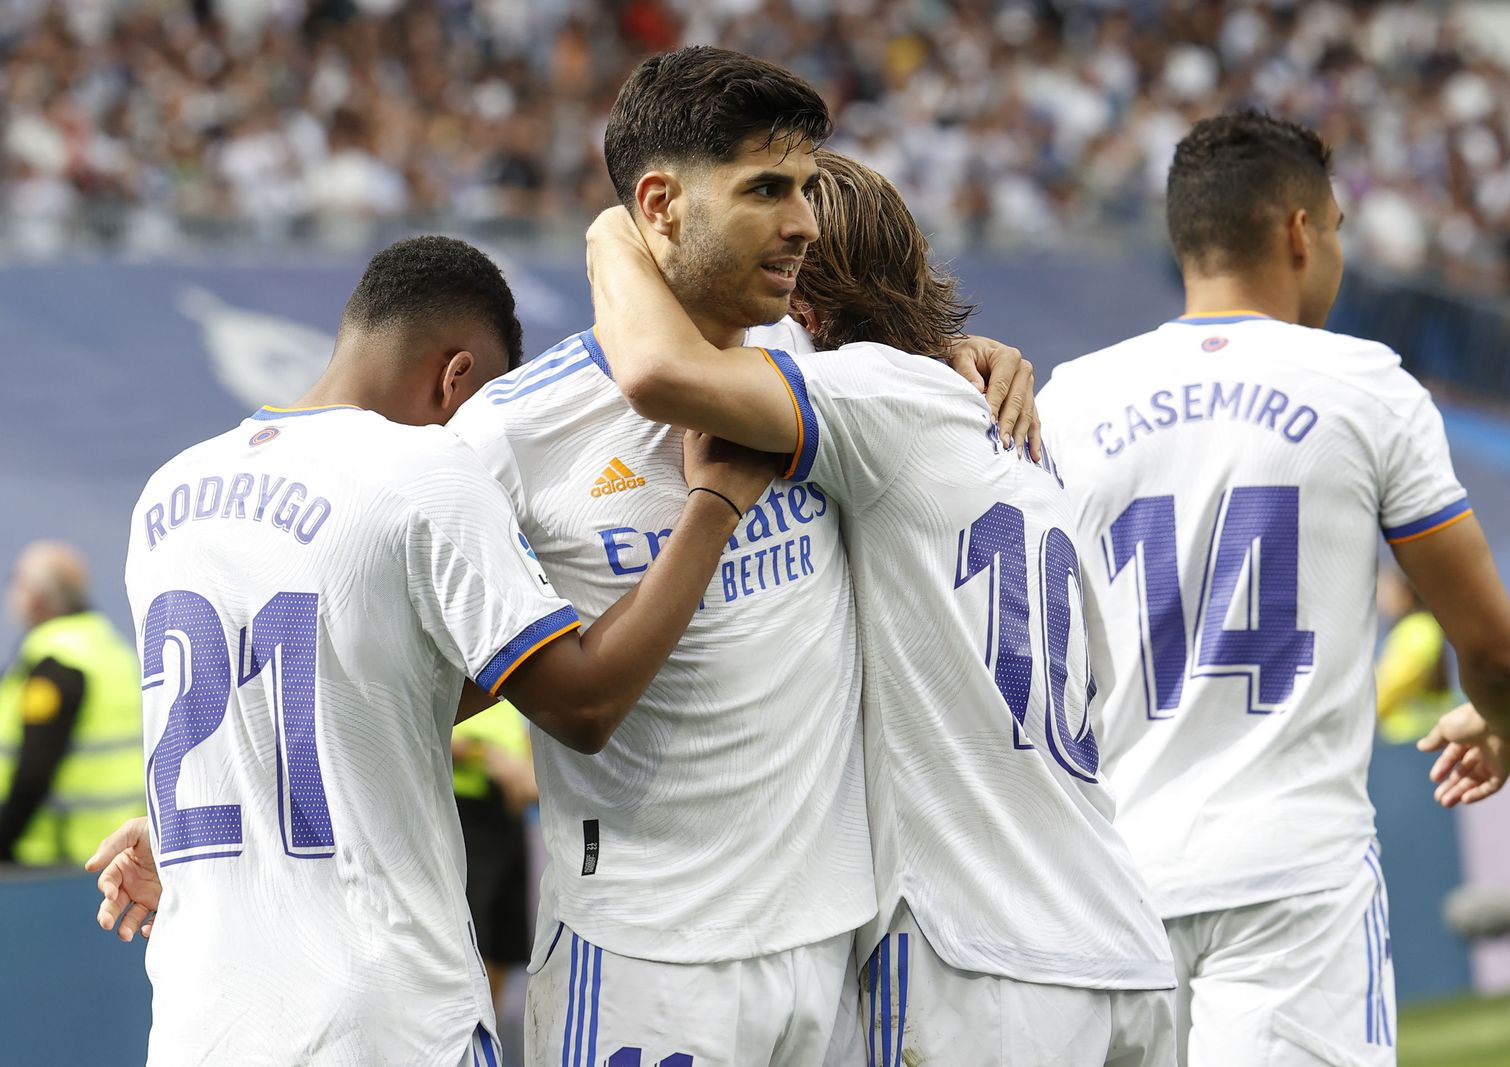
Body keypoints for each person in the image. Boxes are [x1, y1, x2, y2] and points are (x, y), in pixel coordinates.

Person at [448, 46, 1038, 1066]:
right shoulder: (512, 433)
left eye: (806, 187)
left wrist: (965, 358)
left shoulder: (829, 376)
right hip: (643, 960)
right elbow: (411, 681)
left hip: (833, 946)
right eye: (767, 190)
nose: (805, 220)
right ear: (661, 204)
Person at [101, 234, 778, 1067]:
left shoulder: (166, 492)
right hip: (384, 1022)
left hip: (199, 1024)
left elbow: (334, 692)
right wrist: (714, 503)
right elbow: (583, 703)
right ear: (456, 376)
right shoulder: (424, 468)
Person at [585, 149, 1177, 1063]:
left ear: (806, 311)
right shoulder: (1001, 426)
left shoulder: (871, 394)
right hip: (1122, 941)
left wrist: (616, 229)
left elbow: (657, 371)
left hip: (978, 957)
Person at [1034, 110, 1510, 1066]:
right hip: (1293, 874)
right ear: (1301, 232)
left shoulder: (1067, 401)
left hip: (1112, 885)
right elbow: (1501, 650)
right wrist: (1501, 719)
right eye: (1339, 225)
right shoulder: (1366, 386)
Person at [0, 541, 142, 865]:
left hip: (60, 856)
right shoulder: (111, 647)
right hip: (120, 847)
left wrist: (3, 840)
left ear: (37, 597)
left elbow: (34, 771)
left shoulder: (57, 663)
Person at [451, 698, 540, 1009]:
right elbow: (415, 729)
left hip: (509, 815)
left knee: (503, 944)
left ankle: (488, 1043)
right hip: (463, 813)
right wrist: (486, 755)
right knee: (468, 942)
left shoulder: (508, 682)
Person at [1373, 570, 1456, 745]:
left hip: (1413, 738)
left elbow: (1393, 686)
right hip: (1419, 736)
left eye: (1388, 591)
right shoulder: (1417, 627)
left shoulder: (1417, 630)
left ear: (1406, 594)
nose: (1382, 600)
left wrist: (1360, 711)